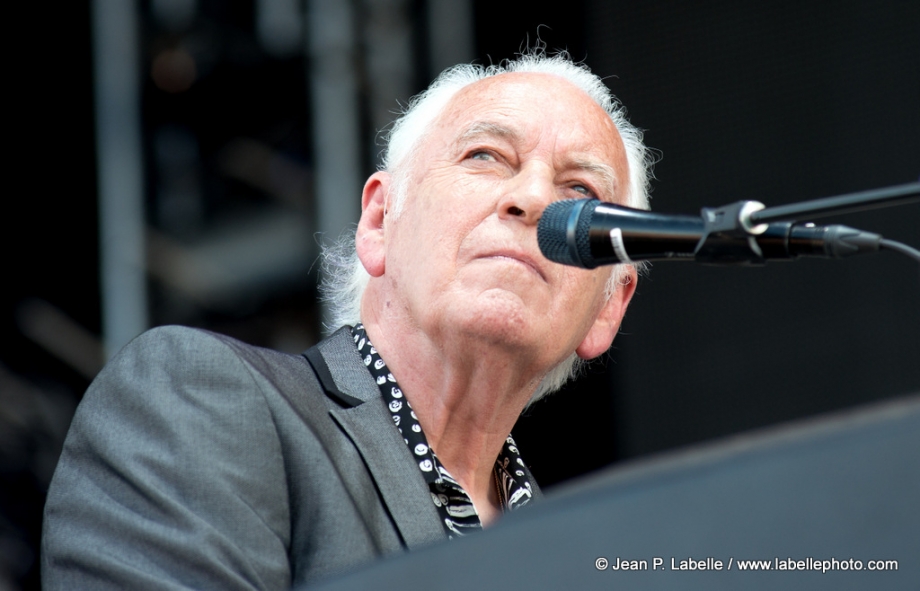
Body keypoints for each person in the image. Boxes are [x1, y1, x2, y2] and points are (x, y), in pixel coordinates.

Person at [41, 51, 652, 589]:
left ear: (609, 306)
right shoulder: (197, 396)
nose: (536, 199)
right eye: (486, 155)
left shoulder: (595, 556)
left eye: (578, 191)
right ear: (379, 222)